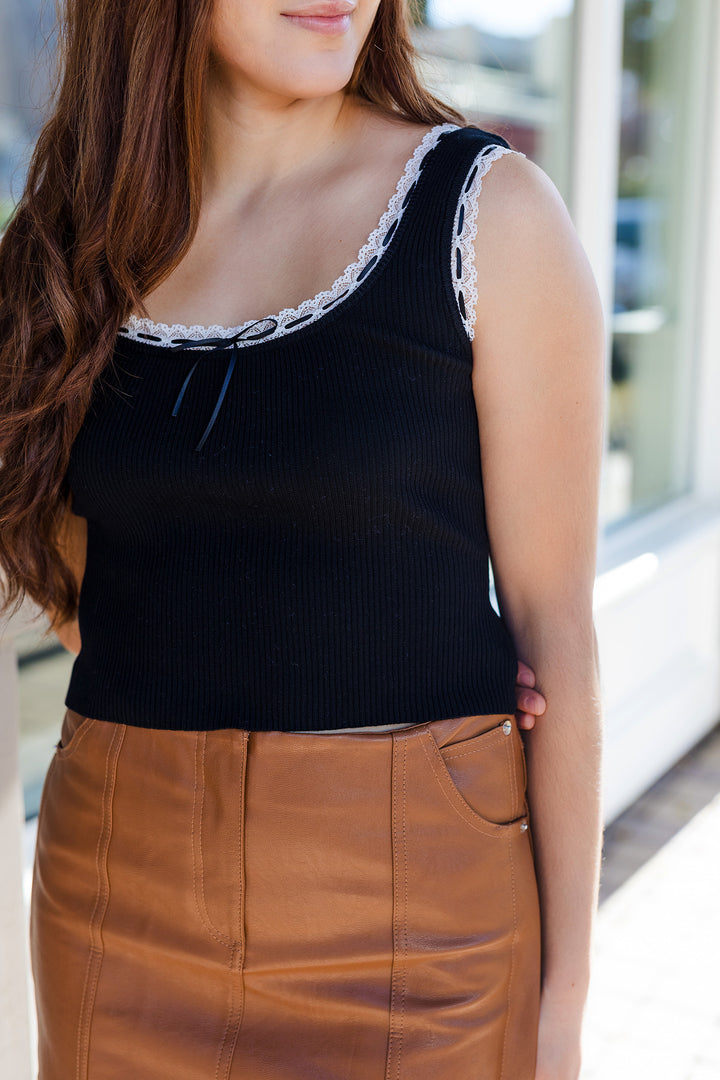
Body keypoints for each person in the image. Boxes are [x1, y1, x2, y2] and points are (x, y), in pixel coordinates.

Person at [0, 1, 605, 1077]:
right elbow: (81, 575)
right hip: (118, 901)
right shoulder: (68, 242)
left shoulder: (489, 216)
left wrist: (559, 1016)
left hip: (421, 927)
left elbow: (559, 640)